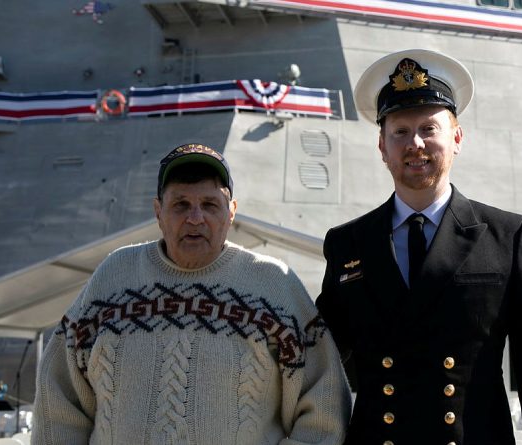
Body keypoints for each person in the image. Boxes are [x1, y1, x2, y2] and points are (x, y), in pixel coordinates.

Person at [316, 49, 522, 445]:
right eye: (399, 131)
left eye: (429, 129)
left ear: (456, 138)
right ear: (382, 146)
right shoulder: (348, 243)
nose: (414, 143)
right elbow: (321, 359)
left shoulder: (507, 236)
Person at [34, 143, 351, 445]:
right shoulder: (113, 278)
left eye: (210, 205)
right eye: (180, 205)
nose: (195, 218)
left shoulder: (274, 286)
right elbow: (58, 399)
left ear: (231, 212)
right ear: (158, 212)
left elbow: (323, 412)